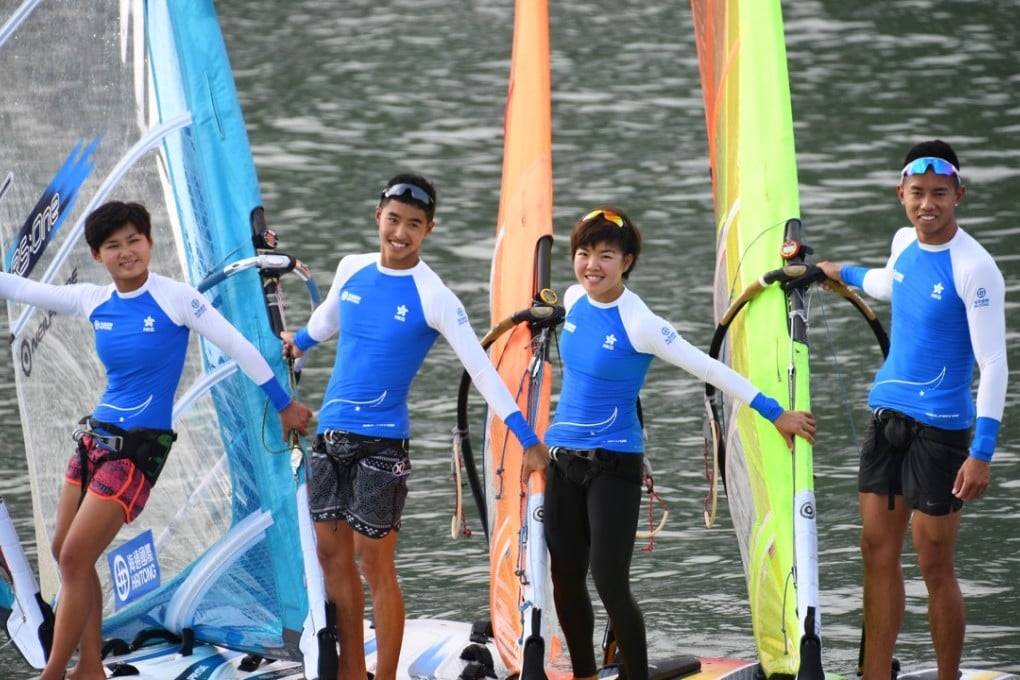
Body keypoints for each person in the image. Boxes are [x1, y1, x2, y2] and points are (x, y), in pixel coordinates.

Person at [0, 201, 314, 680]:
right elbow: (21, 287)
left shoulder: (176, 298)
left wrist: (284, 404)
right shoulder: (94, 299)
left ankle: (55, 674)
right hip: (94, 442)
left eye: (134, 241)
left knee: (73, 557)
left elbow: (238, 346)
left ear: (149, 242)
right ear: (97, 254)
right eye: (113, 246)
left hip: (138, 451)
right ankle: (90, 670)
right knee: (70, 554)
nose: (126, 252)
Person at [522, 207, 817, 680]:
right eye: (583, 254)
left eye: (605, 255)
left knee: (609, 577)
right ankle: (584, 676)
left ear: (628, 261)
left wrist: (774, 412)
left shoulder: (639, 321)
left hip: (613, 464)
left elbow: (708, 367)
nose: (591, 265)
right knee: (564, 578)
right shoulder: (573, 300)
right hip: (561, 460)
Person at [280, 173, 549, 680]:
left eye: (413, 225)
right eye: (393, 220)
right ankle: (353, 671)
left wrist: (527, 438)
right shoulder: (351, 269)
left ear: (428, 229)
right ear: (377, 216)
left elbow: (482, 371)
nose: (400, 233)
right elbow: (325, 322)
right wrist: (294, 344)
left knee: (373, 564)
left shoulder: (435, 296)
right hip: (331, 436)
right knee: (330, 557)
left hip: (383, 445)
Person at [817, 139, 1007, 680]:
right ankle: (875, 675)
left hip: (942, 433)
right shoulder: (904, 242)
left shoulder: (976, 268)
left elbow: (994, 365)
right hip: (886, 419)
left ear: (958, 196)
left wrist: (982, 454)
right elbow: (888, 282)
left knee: (934, 563)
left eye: (940, 194)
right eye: (918, 193)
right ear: (902, 193)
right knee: (876, 552)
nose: (928, 204)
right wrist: (839, 272)